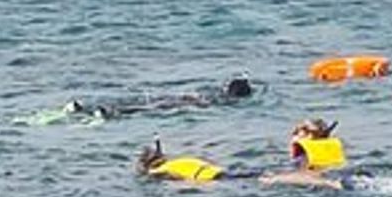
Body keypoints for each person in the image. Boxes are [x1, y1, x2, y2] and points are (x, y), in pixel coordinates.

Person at [65, 76, 257, 121]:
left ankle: (87, 110)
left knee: (149, 106)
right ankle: (107, 113)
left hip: (186, 101)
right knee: (149, 109)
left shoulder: (219, 97)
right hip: (188, 104)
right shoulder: (226, 103)